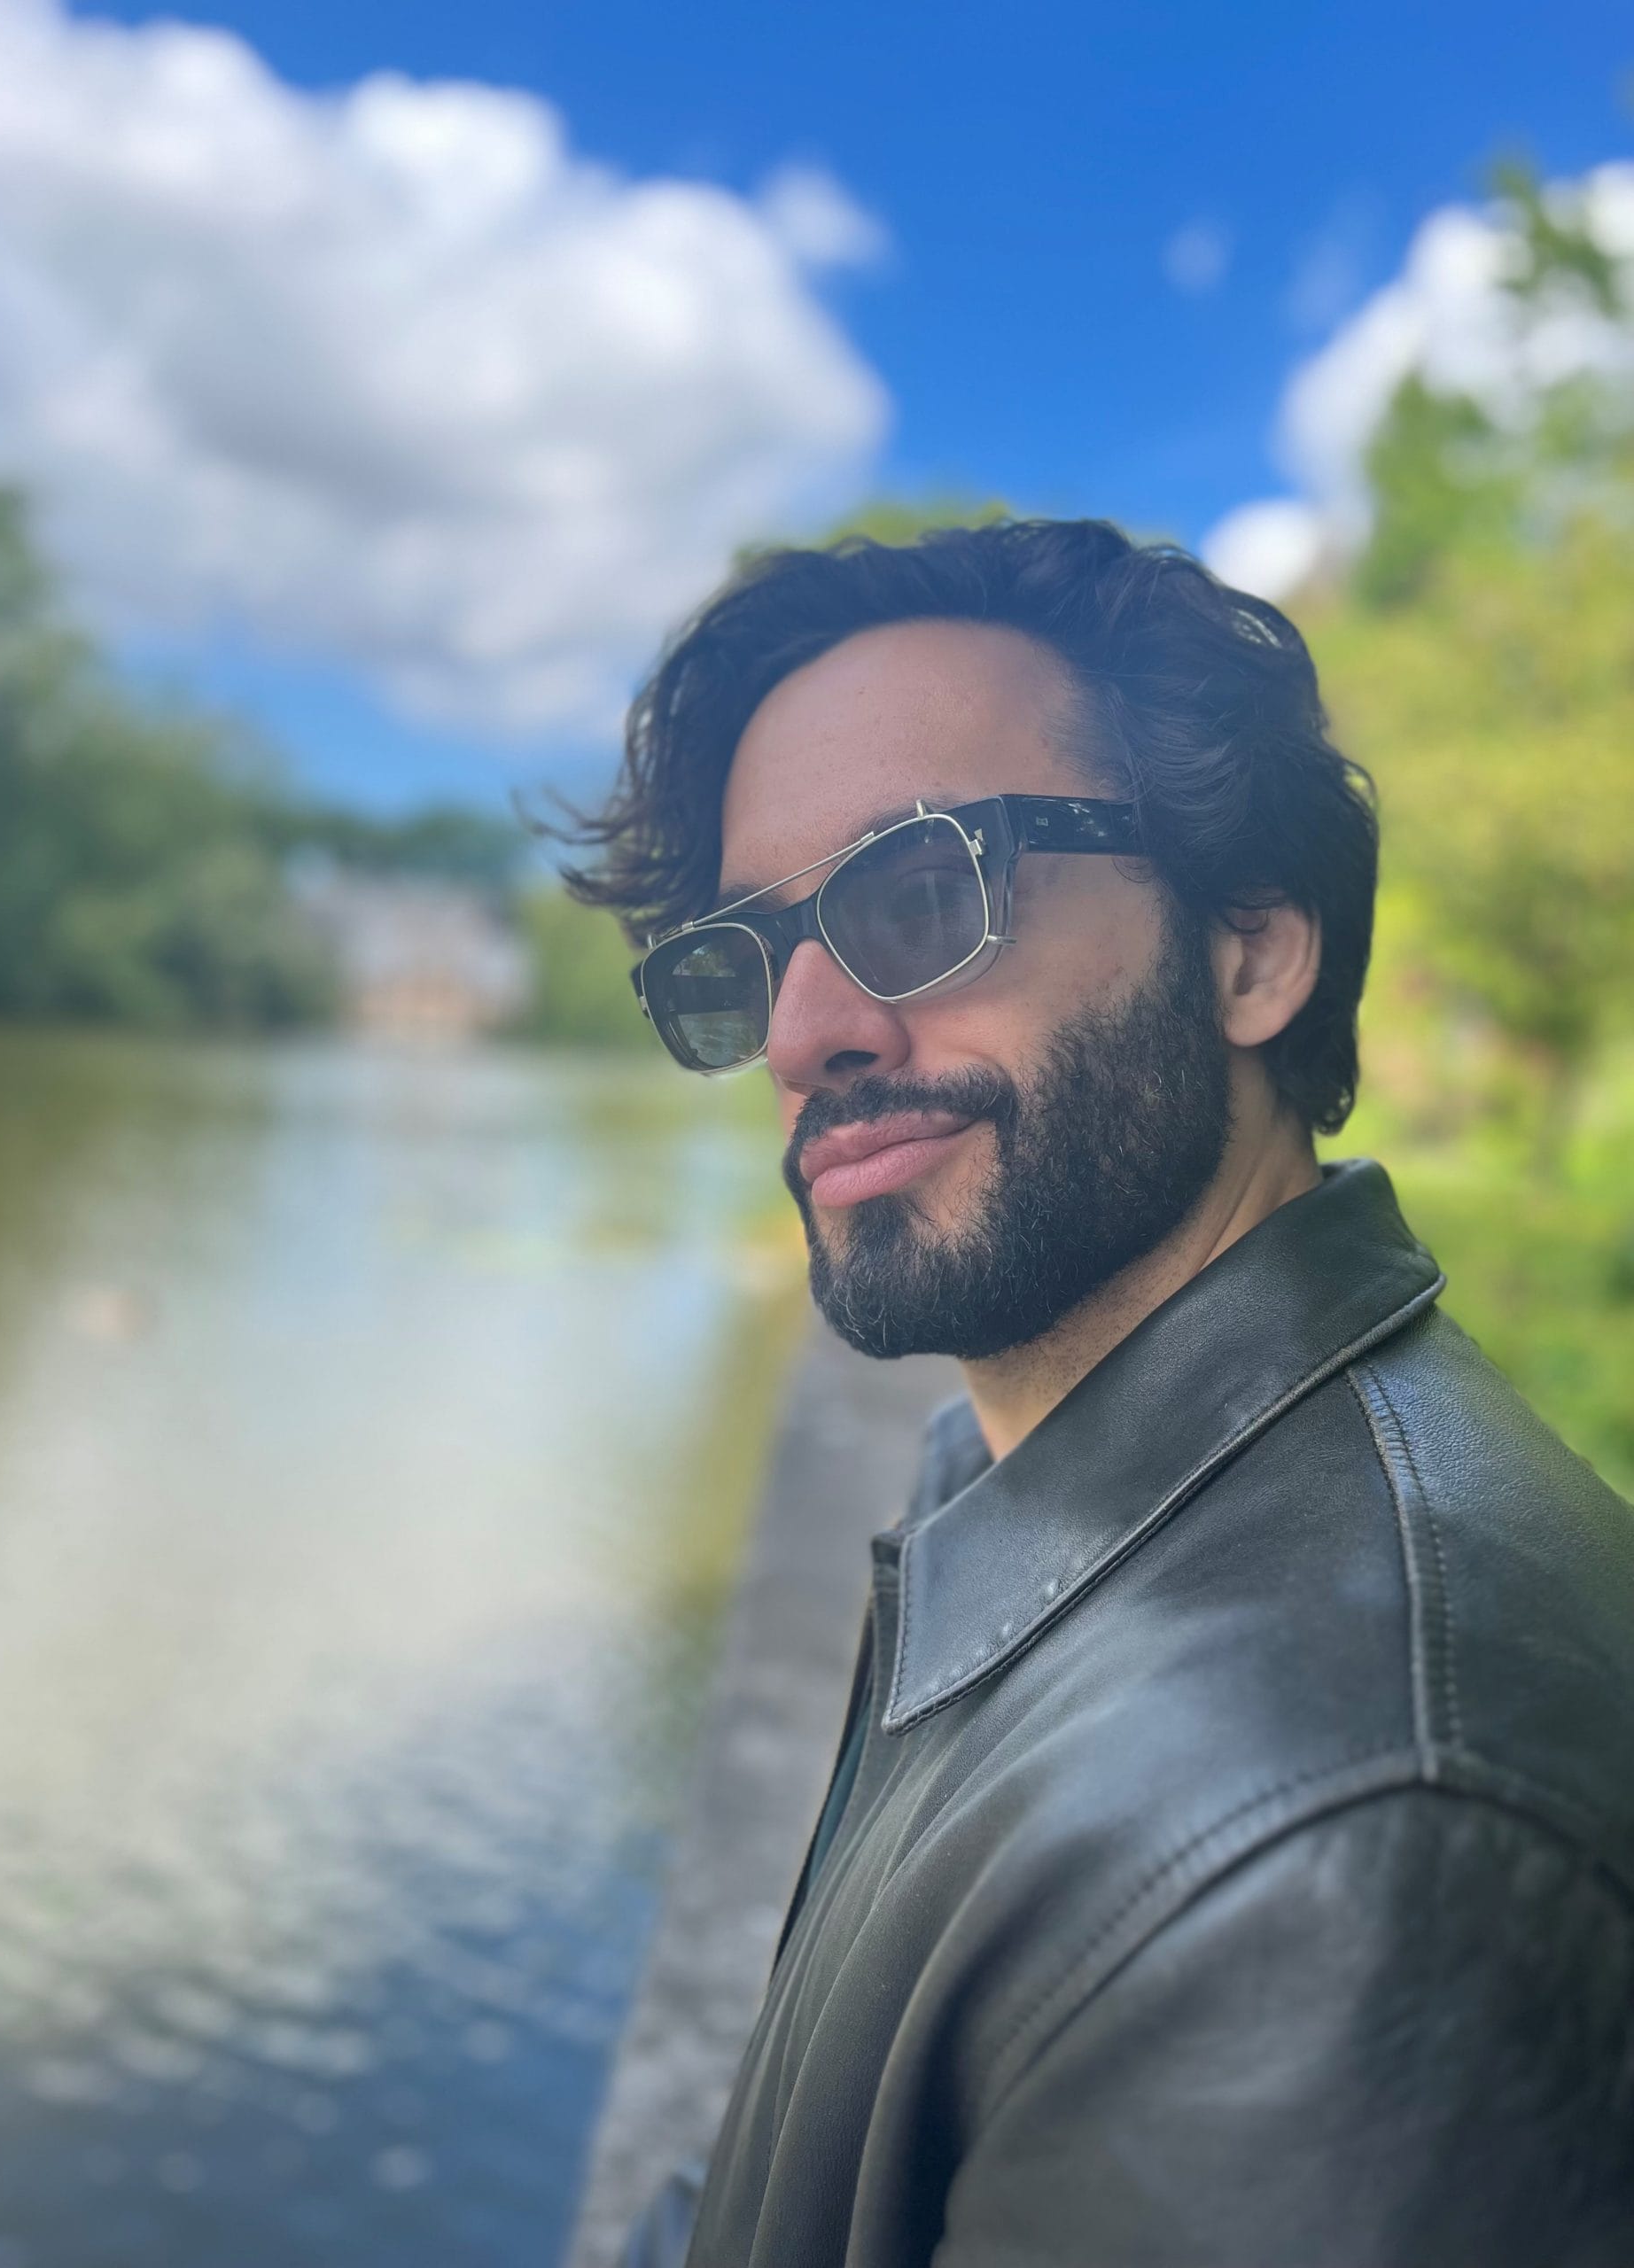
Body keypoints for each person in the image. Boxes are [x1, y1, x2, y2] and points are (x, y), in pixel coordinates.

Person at [565, 520, 1634, 2267]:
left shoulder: (1341, 1846)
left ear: (1249, 952)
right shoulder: (1058, 1493)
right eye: (751, 956)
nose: (800, 1032)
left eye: (918, 893)